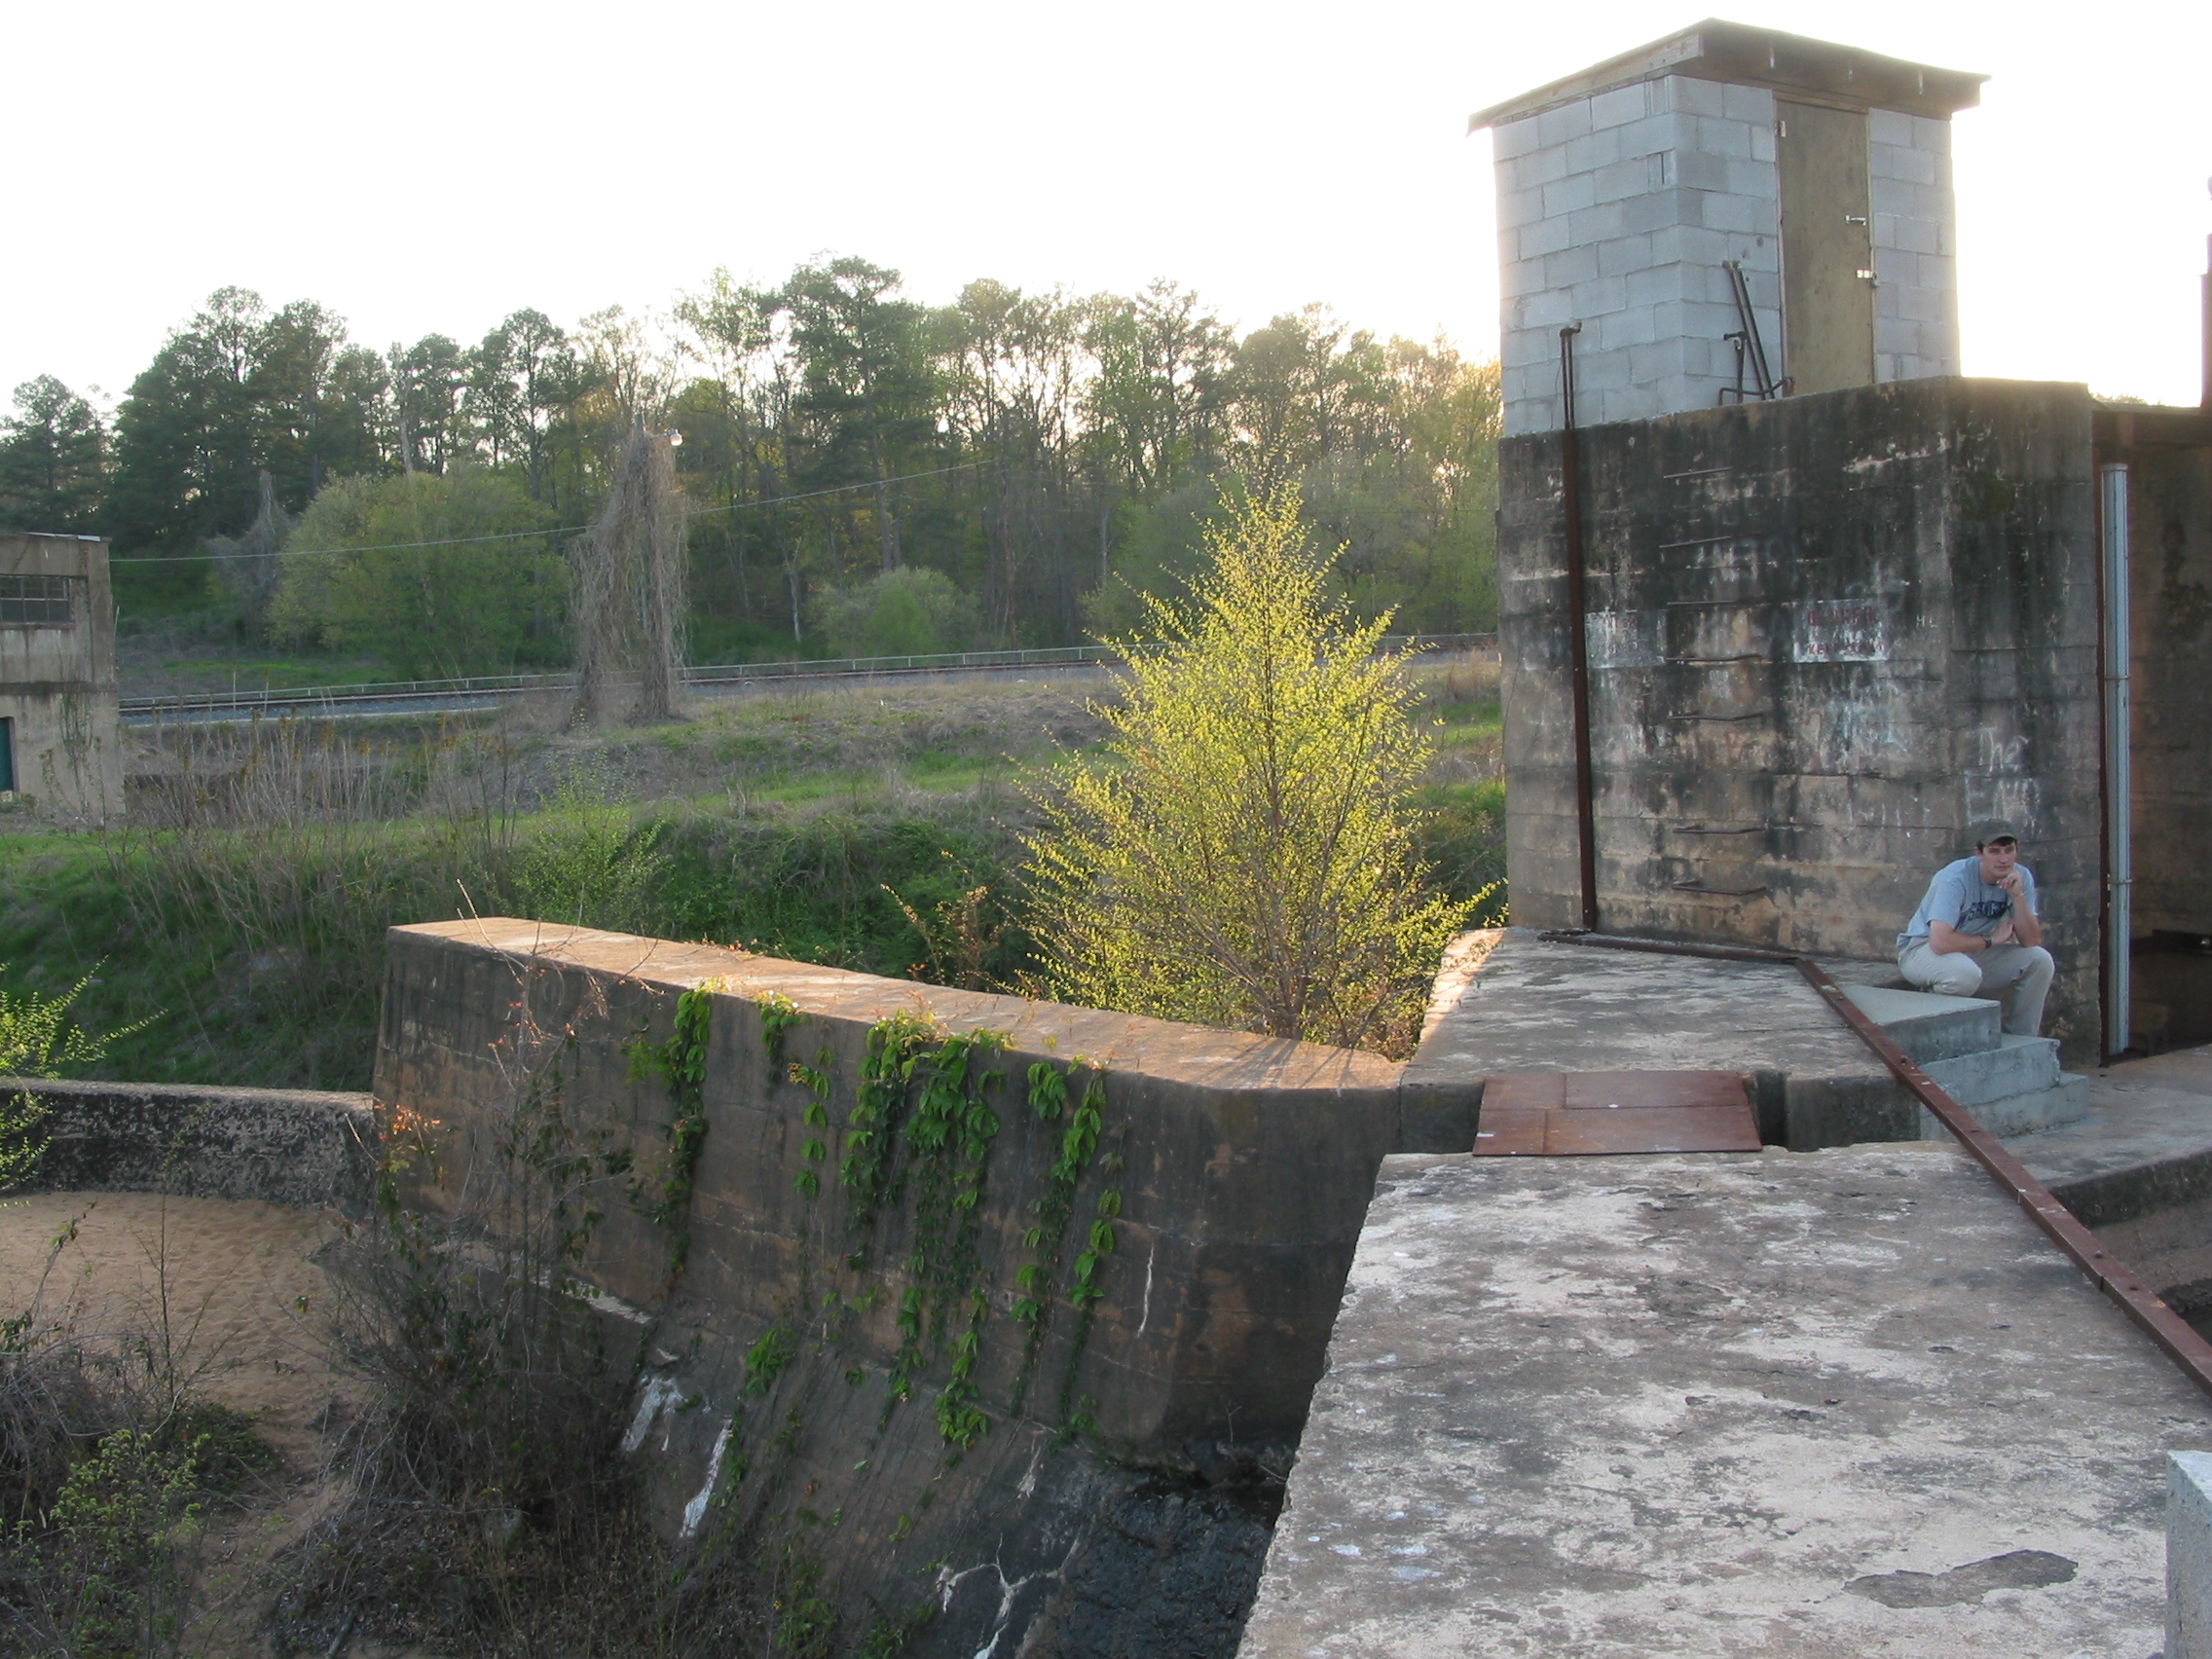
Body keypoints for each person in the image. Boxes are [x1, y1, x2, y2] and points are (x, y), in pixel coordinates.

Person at [1897, 821, 2053, 1037]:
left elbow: (2031, 941)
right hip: (1920, 951)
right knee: (1963, 974)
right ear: (1979, 853)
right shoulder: (1954, 878)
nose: (2003, 859)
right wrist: (1990, 940)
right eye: (1994, 852)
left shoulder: (2020, 877)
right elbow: (1939, 943)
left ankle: (2021, 1038)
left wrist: (2017, 897)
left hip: (1969, 953)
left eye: (2009, 851)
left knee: (2040, 960)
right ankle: (1939, 1030)